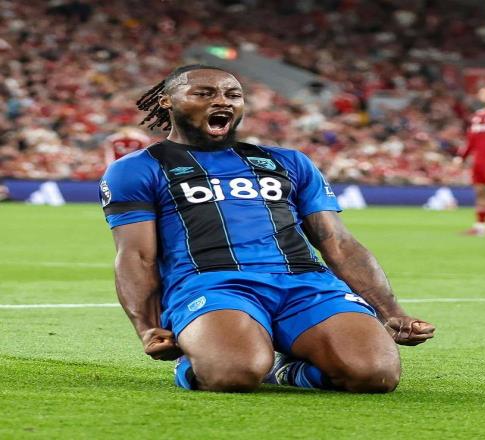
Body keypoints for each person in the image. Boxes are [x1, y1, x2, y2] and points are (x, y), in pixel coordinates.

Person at [99, 64, 435, 393]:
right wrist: (147, 327)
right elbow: (136, 255)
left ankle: (285, 370)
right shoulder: (138, 168)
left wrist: (391, 312)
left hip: (305, 283)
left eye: (233, 95)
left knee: (375, 374)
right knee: (234, 374)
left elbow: (339, 242)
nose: (222, 101)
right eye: (204, 93)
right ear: (167, 102)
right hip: (213, 284)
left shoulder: (288, 161)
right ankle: (197, 359)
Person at [456, 86, 485, 236]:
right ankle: (481, 227)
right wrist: (461, 157)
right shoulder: (478, 115)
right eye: (480, 93)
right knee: (481, 191)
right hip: (480, 160)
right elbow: (470, 139)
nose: (481, 95)